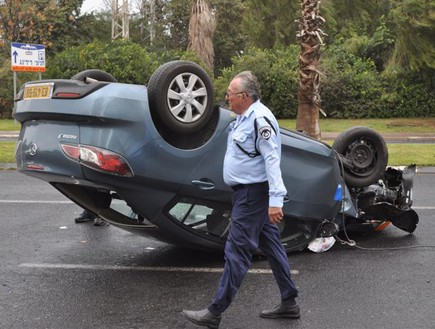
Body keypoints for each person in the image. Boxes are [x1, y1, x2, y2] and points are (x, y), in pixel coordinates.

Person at [181, 71, 299, 328]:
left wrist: (276, 199)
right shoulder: (243, 118)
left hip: (253, 196)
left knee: (237, 250)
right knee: (272, 246)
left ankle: (215, 311)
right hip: (248, 194)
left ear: (244, 96)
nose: (226, 98)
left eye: (230, 94)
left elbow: (272, 159)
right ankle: (289, 302)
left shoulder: (260, 119)